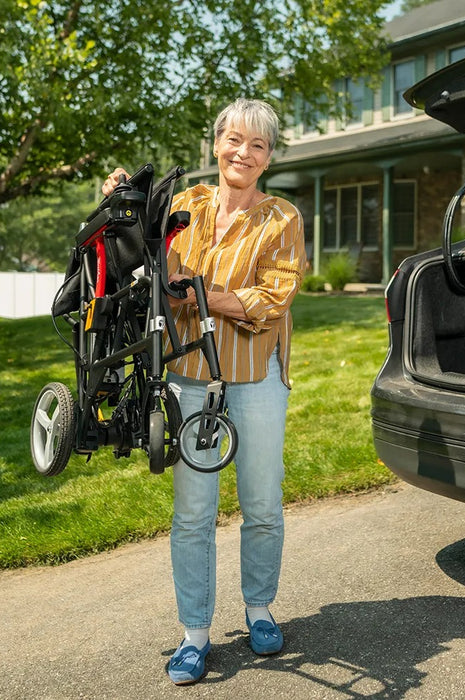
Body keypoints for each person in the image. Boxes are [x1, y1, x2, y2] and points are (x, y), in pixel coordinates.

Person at [102, 98, 306, 685]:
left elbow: (273, 298)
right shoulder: (184, 205)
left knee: (262, 504)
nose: (243, 153)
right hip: (191, 377)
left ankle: (260, 609)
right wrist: (120, 197)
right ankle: (195, 632)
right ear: (216, 144)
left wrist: (195, 296)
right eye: (234, 140)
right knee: (193, 513)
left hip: (257, 378)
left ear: (268, 158)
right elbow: (136, 248)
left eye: (258, 145)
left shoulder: (280, 218)